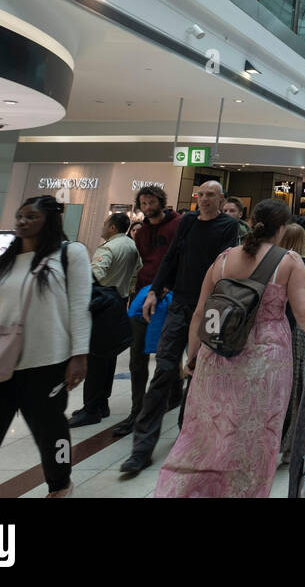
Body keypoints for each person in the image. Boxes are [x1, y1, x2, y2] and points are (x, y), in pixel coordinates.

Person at [155, 200, 305, 497]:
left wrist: (193, 356)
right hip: (266, 359)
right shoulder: (289, 261)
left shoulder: (222, 259)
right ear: (282, 227)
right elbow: (303, 312)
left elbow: (200, 312)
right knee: (256, 434)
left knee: (208, 431)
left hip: (217, 353)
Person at [0, 197, 90, 497]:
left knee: (52, 437)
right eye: (20, 216)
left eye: (31, 216)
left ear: (49, 220)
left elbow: (79, 307)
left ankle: (61, 483)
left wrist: (79, 355)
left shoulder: (69, 254)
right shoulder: (1, 262)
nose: (22, 221)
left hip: (46, 364)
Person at [120, 181, 241, 476]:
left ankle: (187, 435)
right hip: (180, 305)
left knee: (199, 372)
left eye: (211, 195)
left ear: (221, 198)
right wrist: (154, 291)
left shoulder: (228, 226)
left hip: (210, 308)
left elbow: (223, 267)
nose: (204, 200)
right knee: (163, 370)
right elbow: (171, 257)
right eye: (200, 195)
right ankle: (141, 448)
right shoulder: (187, 222)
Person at [114, 186, 181, 437]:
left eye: (151, 201)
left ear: (161, 202)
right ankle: (137, 409)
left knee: (167, 350)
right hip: (144, 294)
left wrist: (168, 287)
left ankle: (172, 394)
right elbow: (141, 261)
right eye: (143, 202)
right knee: (138, 353)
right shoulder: (140, 233)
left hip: (170, 295)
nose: (147, 206)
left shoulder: (178, 225)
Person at [69, 211, 141, 427]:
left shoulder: (109, 247)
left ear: (112, 227)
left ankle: (91, 408)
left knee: (96, 356)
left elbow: (95, 274)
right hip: (120, 302)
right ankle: (102, 403)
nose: (102, 227)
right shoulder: (131, 246)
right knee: (108, 357)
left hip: (102, 304)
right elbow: (137, 272)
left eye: (105, 223)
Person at [278, 222, 305, 463]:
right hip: (297, 330)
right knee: (296, 385)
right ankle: (290, 444)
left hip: (273, 328)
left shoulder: (273, 263)